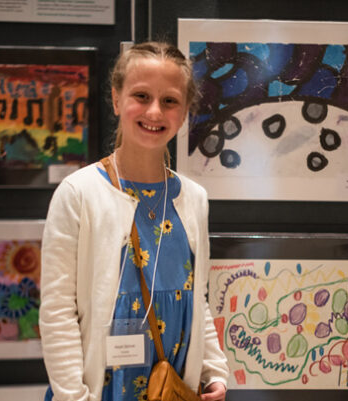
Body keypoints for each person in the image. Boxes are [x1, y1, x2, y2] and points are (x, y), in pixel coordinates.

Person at [39, 41, 229, 401]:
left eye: (170, 100)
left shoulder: (193, 199)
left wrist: (214, 370)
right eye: (141, 96)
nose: (154, 112)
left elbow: (197, 298)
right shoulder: (79, 193)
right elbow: (57, 314)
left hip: (171, 390)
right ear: (115, 99)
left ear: (185, 110)